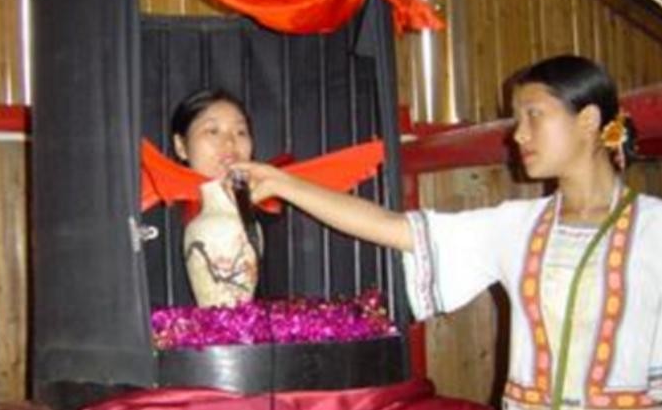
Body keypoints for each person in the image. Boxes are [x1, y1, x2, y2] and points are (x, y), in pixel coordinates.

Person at [232, 55, 662, 409]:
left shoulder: (654, 228)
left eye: (534, 115)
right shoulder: (518, 227)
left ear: (588, 120)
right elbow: (393, 228)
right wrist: (285, 184)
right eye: (517, 119)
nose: (519, 135)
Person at [170, 88, 260, 307]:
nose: (230, 143)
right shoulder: (153, 212)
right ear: (181, 146)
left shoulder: (270, 205)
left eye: (241, 132)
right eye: (213, 131)